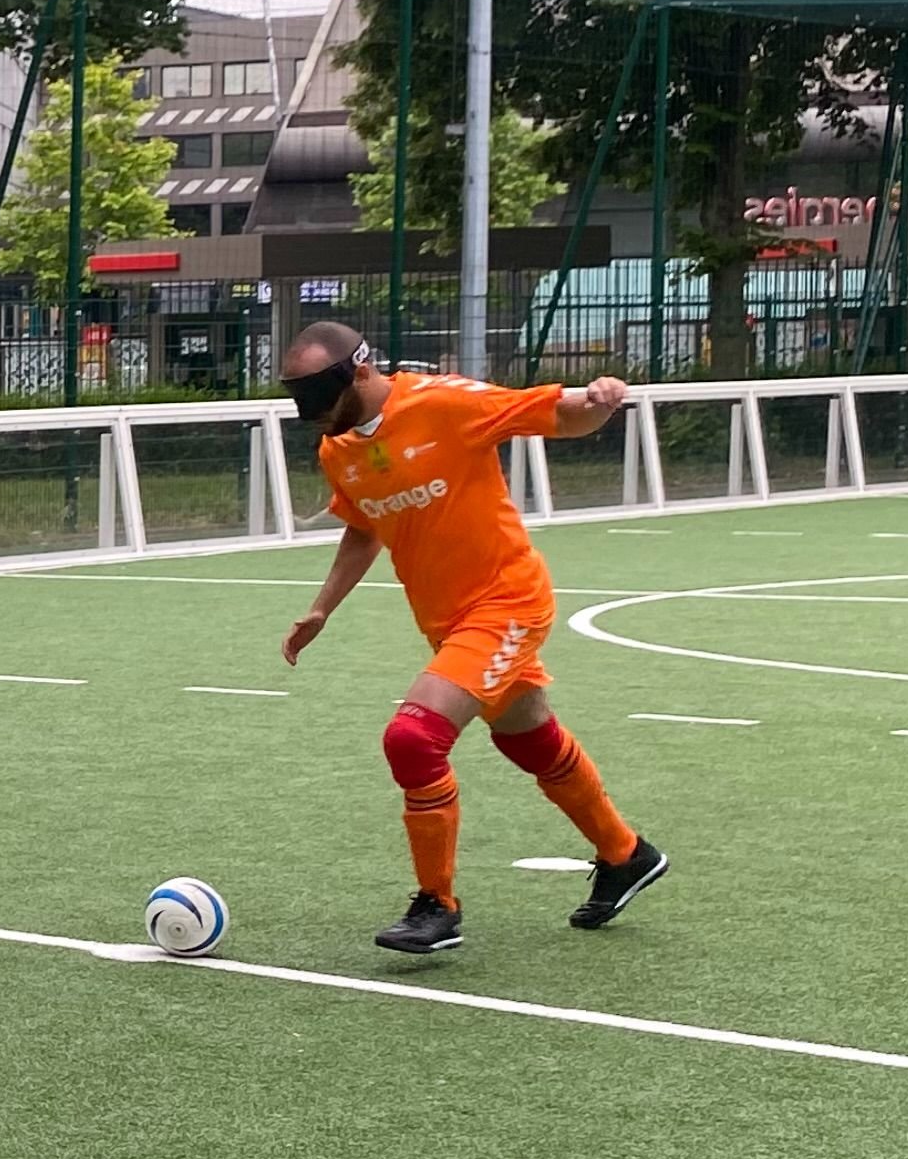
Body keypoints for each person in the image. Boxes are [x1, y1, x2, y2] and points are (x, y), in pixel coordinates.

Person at [276, 320, 669, 956]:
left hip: (508, 602)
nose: (312, 416)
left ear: (362, 371)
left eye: (318, 398)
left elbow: (554, 415)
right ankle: (626, 853)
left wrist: (599, 400)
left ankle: (438, 905)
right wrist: (322, 609)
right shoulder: (338, 447)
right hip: (447, 621)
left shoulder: (443, 403)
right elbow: (363, 525)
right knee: (528, 739)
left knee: (412, 737)